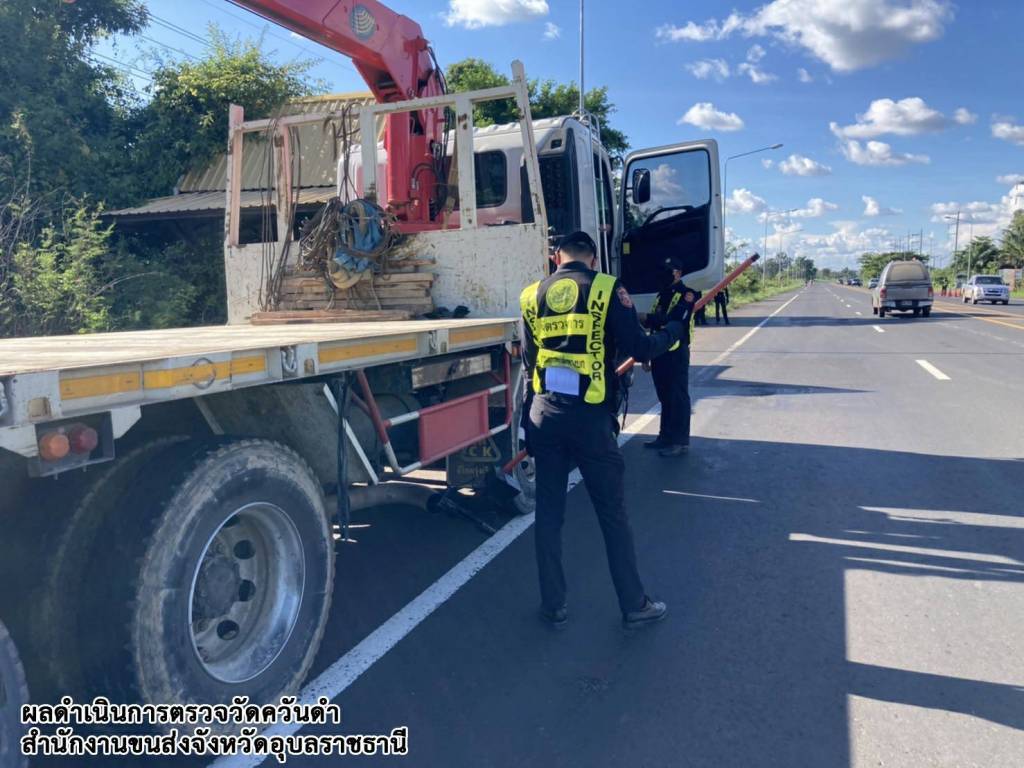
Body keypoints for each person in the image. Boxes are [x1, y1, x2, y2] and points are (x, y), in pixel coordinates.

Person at [519, 231, 688, 630]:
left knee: (549, 513)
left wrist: (528, 423)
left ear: (556, 258)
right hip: (590, 419)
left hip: (544, 416)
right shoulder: (607, 288)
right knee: (612, 514)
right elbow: (640, 348)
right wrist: (673, 333)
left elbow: (530, 362)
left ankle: (553, 605)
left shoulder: (530, 295)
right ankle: (634, 604)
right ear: (593, 259)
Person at [643, 256, 696, 457]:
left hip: (675, 353)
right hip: (659, 351)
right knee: (664, 396)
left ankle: (679, 442)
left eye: (668, 271)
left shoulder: (687, 294)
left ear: (678, 273)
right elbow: (654, 326)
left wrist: (645, 318)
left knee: (677, 397)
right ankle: (665, 437)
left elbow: (674, 320)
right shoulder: (661, 294)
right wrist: (647, 355)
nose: (663, 274)